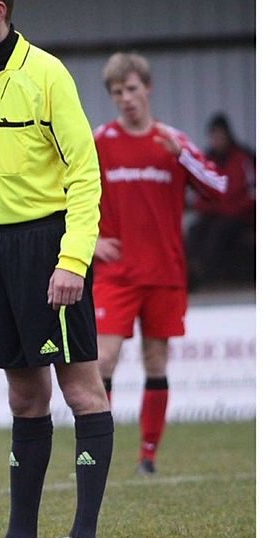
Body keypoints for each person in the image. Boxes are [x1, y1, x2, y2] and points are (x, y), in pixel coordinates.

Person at [0, 1, 113, 538]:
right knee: (23, 396)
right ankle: (23, 533)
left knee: (81, 391)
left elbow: (85, 175)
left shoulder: (47, 73)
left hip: (48, 248)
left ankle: (82, 531)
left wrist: (73, 260)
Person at [92, 53, 227, 476]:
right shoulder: (100, 141)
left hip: (165, 273)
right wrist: (91, 239)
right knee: (101, 362)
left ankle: (147, 456)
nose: (126, 99)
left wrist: (182, 157)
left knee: (156, 362)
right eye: (117, 92)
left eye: (132, 89)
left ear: (147, 88)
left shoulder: (173, 141)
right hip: (116, 274)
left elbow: (221, 190)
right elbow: (64, 192)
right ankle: (100, 453)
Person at [186, 113, 254, 289]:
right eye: (213, 136)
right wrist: (211, 208)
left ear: (227, 135)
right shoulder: (207, 160)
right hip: (214, 215)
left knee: (218, 233)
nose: (216, 140)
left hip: (240, 215)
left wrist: (231, 208)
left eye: (219, 136)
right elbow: (198, 194)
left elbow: (252, 193)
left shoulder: (243, 157)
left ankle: (209, 277)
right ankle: (192, 273)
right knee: (194, 232)